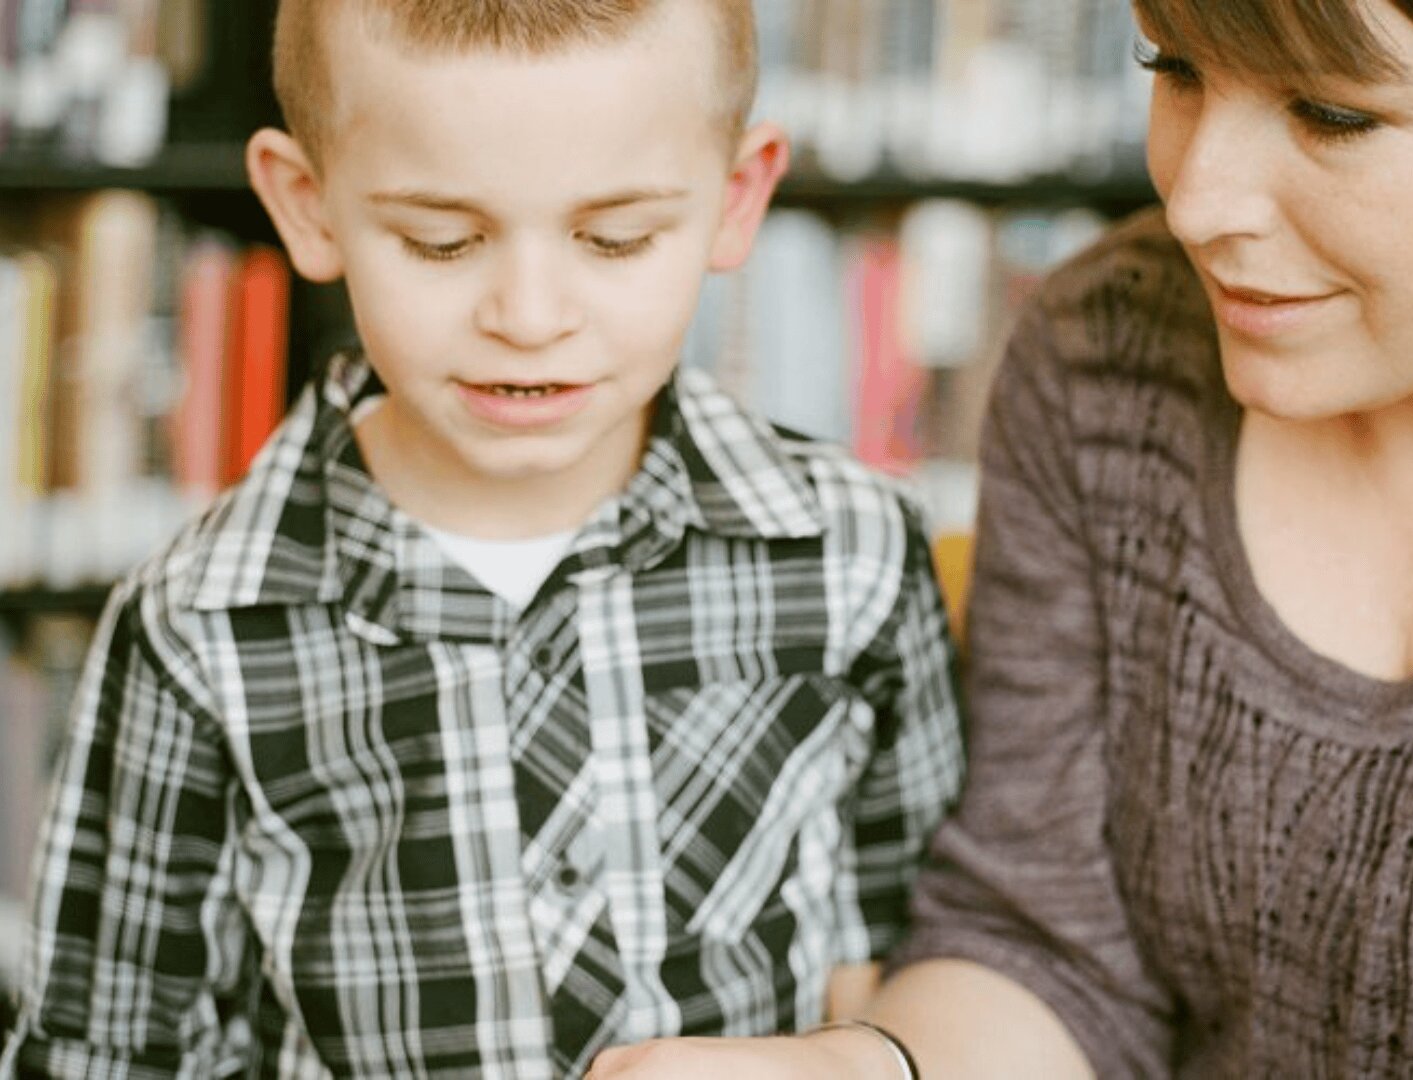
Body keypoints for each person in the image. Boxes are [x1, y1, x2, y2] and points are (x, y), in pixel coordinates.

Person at [588, 0, 1413, 1076]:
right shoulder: (1105, 352)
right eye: (1175, 66)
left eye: (1331, 112)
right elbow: (1051, 955)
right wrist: (870, 1071)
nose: (1196, 198)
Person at [0, 1, 966, 1076]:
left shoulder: (855, 550)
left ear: (736, 199)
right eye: (441, 241)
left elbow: (927, 946)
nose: (529, 314)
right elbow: (109, 1048)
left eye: (615, 238)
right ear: (306, 205)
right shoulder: (197, 626)